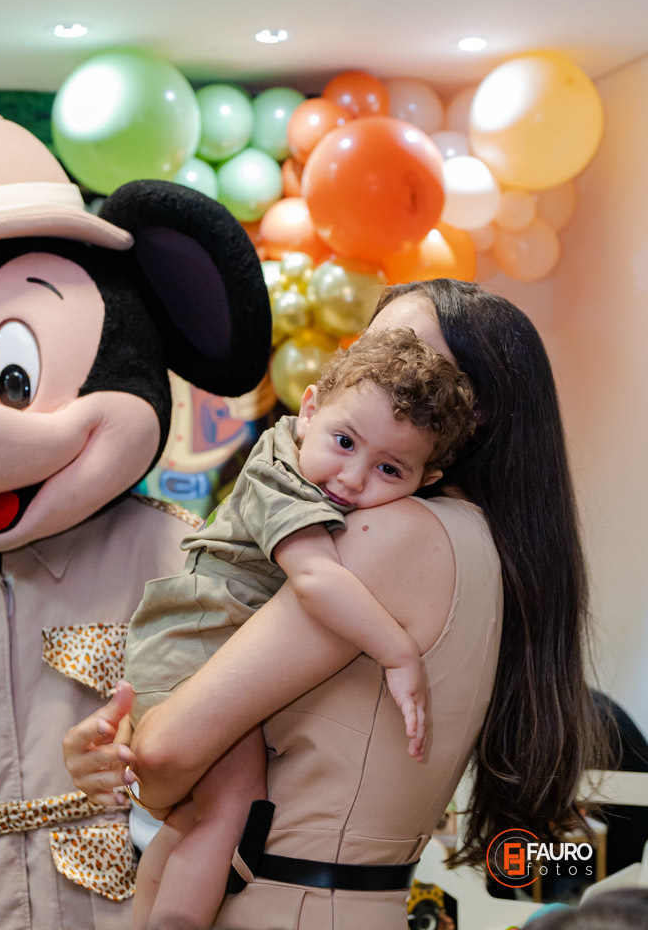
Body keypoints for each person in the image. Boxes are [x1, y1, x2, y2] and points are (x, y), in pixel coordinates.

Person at [64, 279, 606, 930]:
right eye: (371, 348)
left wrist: (136, 761)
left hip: (283, 905)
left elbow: (165, 754)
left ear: (469, 414)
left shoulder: (392, 533)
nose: (385, 373)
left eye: (412, 359)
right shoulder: (481, 542)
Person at [122, 327, 475, 930]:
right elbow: (314, 578)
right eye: (345, 441)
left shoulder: (314, 470)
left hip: (190, 638)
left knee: (192, 818)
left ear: (427, 481)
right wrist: (398, 653)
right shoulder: (281, 473)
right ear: (309, 410)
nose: (353, 477)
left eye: (389, 468)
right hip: (195, 639)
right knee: (233, 812)